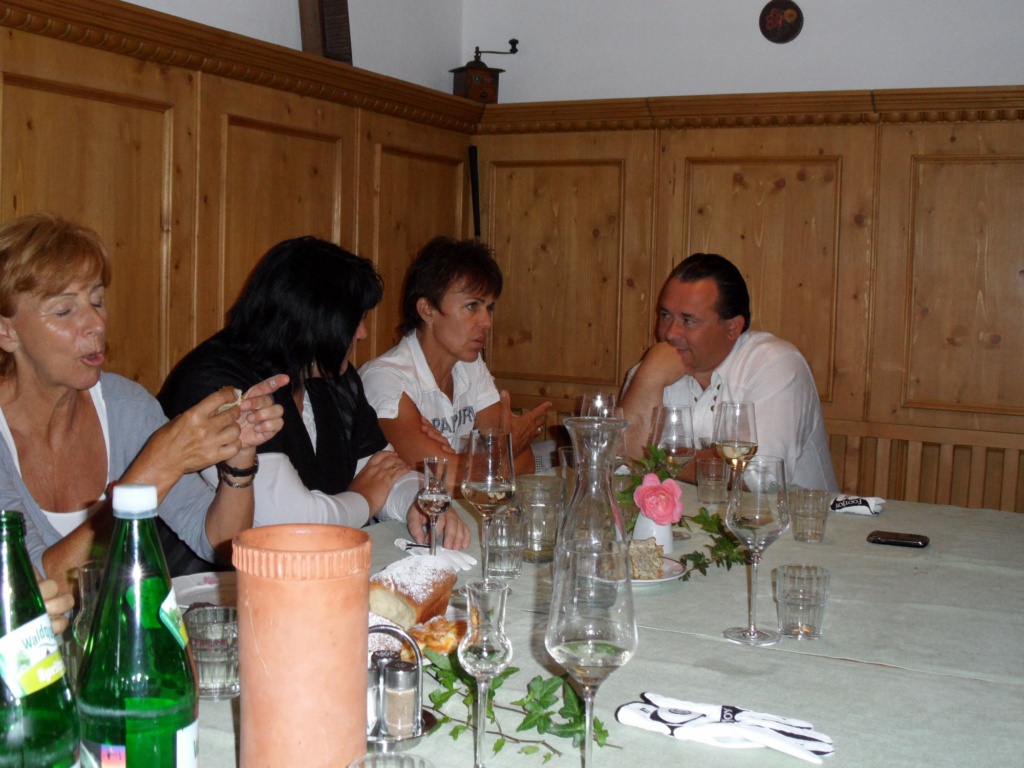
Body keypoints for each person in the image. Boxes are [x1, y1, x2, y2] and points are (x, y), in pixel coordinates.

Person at [0, 213, 286, 595]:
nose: (96, 323)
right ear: (6, 332)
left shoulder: (125, 406)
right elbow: (35, 593)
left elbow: (219, 542)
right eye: (65, 311)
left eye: (97, 300)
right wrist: (157, 467)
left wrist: (240, 460)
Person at [158, 236, 470, 549]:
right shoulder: (220, 384)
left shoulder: (330, 375)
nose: (362, 334)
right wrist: (364, 498)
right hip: (203, 575)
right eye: (356, 321)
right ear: (316, 321)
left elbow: (385, 469)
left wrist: (421, 500)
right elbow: (290, 523)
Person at [620, 253, 838, 491]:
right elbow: (620, 465)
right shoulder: (652, 370)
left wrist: (659, 460)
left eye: (688, 320)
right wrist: (648, 379)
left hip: (792, 515)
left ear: (733, 327)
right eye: (665, 315)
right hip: (690, 516)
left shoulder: (776, 364)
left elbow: (761, 476)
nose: (670, 333)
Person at [359, 236, 550, 486]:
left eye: (489, 308)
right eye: (472, 306)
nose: (487, 322)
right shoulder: (385, 378)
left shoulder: (470, 365)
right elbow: (442, 477)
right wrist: (500, 454)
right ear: (427, 310)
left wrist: (466, 459)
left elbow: (525, 461)